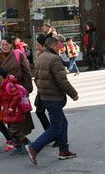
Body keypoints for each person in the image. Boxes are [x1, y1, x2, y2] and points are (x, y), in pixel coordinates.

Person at [26, 36, 79, 165]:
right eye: (58, 46)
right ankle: (34, 147)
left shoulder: (40, 58)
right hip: (54, 97)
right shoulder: (55, 59)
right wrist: (73, 94)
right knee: (56, 127)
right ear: (54, 46)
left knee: (63, 123)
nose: (59, 49)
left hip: (45, 96)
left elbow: (37, 79)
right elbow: (62, 81)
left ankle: (64, 150)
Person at [0, 67, 34, 153]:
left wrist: (11, 107)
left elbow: (17, 97)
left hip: (15, 110)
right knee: (12, 131)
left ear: (0, 76)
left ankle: (29, 145)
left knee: (15, 130)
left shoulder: (9, 85)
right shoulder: (1, 85)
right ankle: (18, 147)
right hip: (9, 111)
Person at [32, 34, 51, 132]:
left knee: (48, 112)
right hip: (42, 89)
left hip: (47, 89)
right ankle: (51, 132)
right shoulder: (40, 55)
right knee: (40, 112)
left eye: (38, 45)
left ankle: (51, 133)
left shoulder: (47, 56)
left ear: (43, 45)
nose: (36, 47)